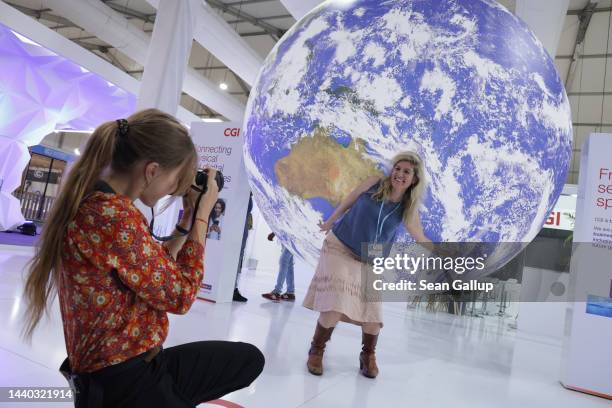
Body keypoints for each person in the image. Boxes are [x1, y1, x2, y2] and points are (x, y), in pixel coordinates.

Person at [22, 109, 264, 407]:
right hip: (126, 383)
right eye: (176, 179)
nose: (175, 189)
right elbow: (181, 296)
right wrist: (203, 215)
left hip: (114, 371)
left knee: (246, 359)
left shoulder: (98, 204)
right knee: (246, 360)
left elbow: (149, 268)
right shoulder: (114, 217)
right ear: (151, 171)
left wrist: (187, 216)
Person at [302, 151, 430, 379]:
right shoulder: (374, 183)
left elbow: (419, 236)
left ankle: (367, 355)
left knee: (373, 316)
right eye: (397, 169)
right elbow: (349, 200)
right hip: (342, 244)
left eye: (406, 172)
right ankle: (317, 349)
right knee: (335, 303)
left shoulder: (408, 208)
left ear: (414, 179)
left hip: (372, 256)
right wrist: (330, 222)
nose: (399, 174)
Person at [262, 232, 295, 302]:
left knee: (284, 261)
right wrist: (274, 233)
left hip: (293, 235)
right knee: (289, 264)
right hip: (287, 236)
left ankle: (276, 292)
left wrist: (274, 233)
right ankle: (290, 292)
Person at [233, 192, 253, 302]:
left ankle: (233, 289)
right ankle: (232, 289)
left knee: (238, 256)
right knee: (237, 255)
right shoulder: (243, 192)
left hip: (240, 224)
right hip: (238, 225)